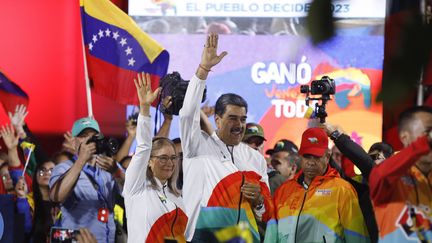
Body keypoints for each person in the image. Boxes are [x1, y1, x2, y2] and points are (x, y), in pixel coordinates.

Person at [179, 33, 273, 243]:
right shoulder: (198, 145)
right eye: (232, 118)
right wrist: (203, 71)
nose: (239, 125)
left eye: (242, 119)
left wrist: (258, 200)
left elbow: (266, 213)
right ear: (217, 119)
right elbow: (187, 114)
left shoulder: (255, 158)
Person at [266, 127, 370, 243]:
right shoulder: (283, 191)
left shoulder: (342, 190)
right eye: (306, 156)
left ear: (327, 157)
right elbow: (271, 236)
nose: (311, 162)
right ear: (300, 156)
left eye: (316, 156)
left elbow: (357, 238)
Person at [123, 72, 188, 243]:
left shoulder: (178, 198)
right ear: (150, 161)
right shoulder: (137, 188)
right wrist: (145, 109)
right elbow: (144, 147)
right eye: (163, 158)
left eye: (173, 158)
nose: (170, 163)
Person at [49, 116, 121, 243]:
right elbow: (56, 196)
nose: (89, 140)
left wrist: (116, 172)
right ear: (73, 142)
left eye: (94, 136)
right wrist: (81, 160)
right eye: (83, 136)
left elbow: (133, 192)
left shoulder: (108, 167)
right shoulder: (63, 168)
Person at [369, 106, 432, 242]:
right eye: (428, 132)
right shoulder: (391, 176)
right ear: (405, 137)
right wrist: (421, 145)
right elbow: (380, 175)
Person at [31, 160, 57, 242]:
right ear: (36, 175)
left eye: (51, 171)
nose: (46, 173)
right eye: (42, 170)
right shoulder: (29, 200)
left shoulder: (63, 203)